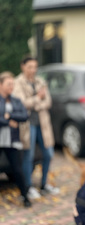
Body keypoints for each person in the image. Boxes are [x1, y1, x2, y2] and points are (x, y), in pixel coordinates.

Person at [13, 56, 59, 199]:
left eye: (35, 67)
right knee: (29, 155)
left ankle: (44, 184)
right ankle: (29, 186)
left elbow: (48, 102)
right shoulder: (17, 83)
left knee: (48, 154)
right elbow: (21, 103)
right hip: (28, 125)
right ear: (23, 67)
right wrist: (38, 99)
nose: (33, 70)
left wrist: (35, 103)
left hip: (43, 124)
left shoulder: (40, 81)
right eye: (30, 67)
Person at [0, 72, 31, 207]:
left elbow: (24, 115)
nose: (11, 87)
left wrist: (9, 115)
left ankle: (25, 196)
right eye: (9, 84)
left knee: (17, 169)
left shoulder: (16, 101)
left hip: (12, 140)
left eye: (13, 84)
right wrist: (7, 122)